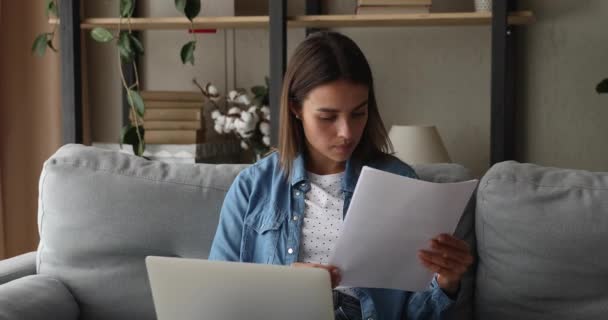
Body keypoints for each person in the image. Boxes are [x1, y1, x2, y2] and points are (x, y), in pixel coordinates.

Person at [209, 31, 473, 320]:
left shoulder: (399, 180)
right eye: (327, 117)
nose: (346, 132)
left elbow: (414, 315)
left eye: (358, 114)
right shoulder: (252, 187)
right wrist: (283, 284)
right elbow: (218, 296)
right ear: (296, 108)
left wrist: (446, 282)